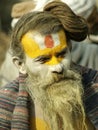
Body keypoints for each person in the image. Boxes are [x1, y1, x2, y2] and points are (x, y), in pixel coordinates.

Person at [0, 1, 98, 130]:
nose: (57, 67)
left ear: (69, 48)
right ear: (20, 65)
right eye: (43, 60)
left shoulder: (94, 86)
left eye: (61, 54)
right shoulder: (5, 106)